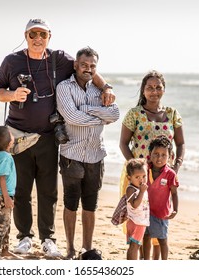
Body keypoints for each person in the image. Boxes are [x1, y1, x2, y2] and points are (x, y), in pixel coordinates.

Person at [0, 18, 115, 257]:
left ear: (49, 36)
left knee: (48, 190)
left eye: (43, 34)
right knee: (22, 188)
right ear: (26, 35)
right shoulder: (12, 61)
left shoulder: (60, 59)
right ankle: (24, 237)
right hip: (17, 135)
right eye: (33, 34)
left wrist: (107, 87)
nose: (38, 38)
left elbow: (87, 68)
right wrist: (13, 94)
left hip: (49, 136)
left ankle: (48, 238)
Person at [56, 46, 120, 259]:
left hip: (96, 155)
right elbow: (71, 117)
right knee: (71, 204)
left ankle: (86, 248)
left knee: (90, 205)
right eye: (84, 65)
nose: (88, 69)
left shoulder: (101, 91)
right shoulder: (64, 88)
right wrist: (99, 117)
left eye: (93, 66)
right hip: (71, 155)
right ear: (76, 65)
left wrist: (85, 110)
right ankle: (70, 249)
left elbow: (115, 113)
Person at [119, 70, 185, 258]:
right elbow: (123, 143)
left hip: (162, 177)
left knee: (159, 223)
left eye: (158, 87)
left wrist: (175, 167)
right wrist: (135, 169)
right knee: (139, 224)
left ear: (164, 89)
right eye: (150, 87)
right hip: (138, 178)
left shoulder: (172, 114)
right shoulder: (134, 114)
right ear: (143, 90)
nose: (154, 91)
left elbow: (180, 143)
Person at [143, 135, 179, 260]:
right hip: (145, 211)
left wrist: (175, 209)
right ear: (150, 154)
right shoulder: (145, 169)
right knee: (146, 237)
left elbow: (174, 193)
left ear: (170, 157)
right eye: (156, 154)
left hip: (161, 214)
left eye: (164, 155)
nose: (159, 158)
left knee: (162, 240)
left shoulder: (170, 174)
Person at [0, 126, 19, 258]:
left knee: (6, 224)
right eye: (11, 134)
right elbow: (2, 178)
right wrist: (7, 197)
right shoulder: (5, 157)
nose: (13, 136)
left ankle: (5, 250)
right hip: (1, 196)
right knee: (1, 225)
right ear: (9, 142)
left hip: (3, 195)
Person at [124, 158, 149, 260]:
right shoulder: (130, 189)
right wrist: (142, 192)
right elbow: (135, 204)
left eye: (144, 176)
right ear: (129, 177)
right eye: (137, 177)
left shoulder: (139, 188)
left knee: (135, 246)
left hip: (139, 221)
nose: (141, 180)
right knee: (134, 246)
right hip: (136, 222)